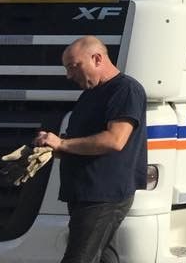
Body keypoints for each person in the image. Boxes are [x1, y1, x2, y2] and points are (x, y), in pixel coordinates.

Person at [34, 36, 147, 263]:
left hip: (103, 194)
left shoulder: (125, 90)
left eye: (73, 66)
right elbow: (83, 140)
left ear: (97, 59)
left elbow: (114, 140)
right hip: (85, 192)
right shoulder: (91, 93)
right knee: (102, 256)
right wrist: (52, 147)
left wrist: (63, 144)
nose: (69, 75)